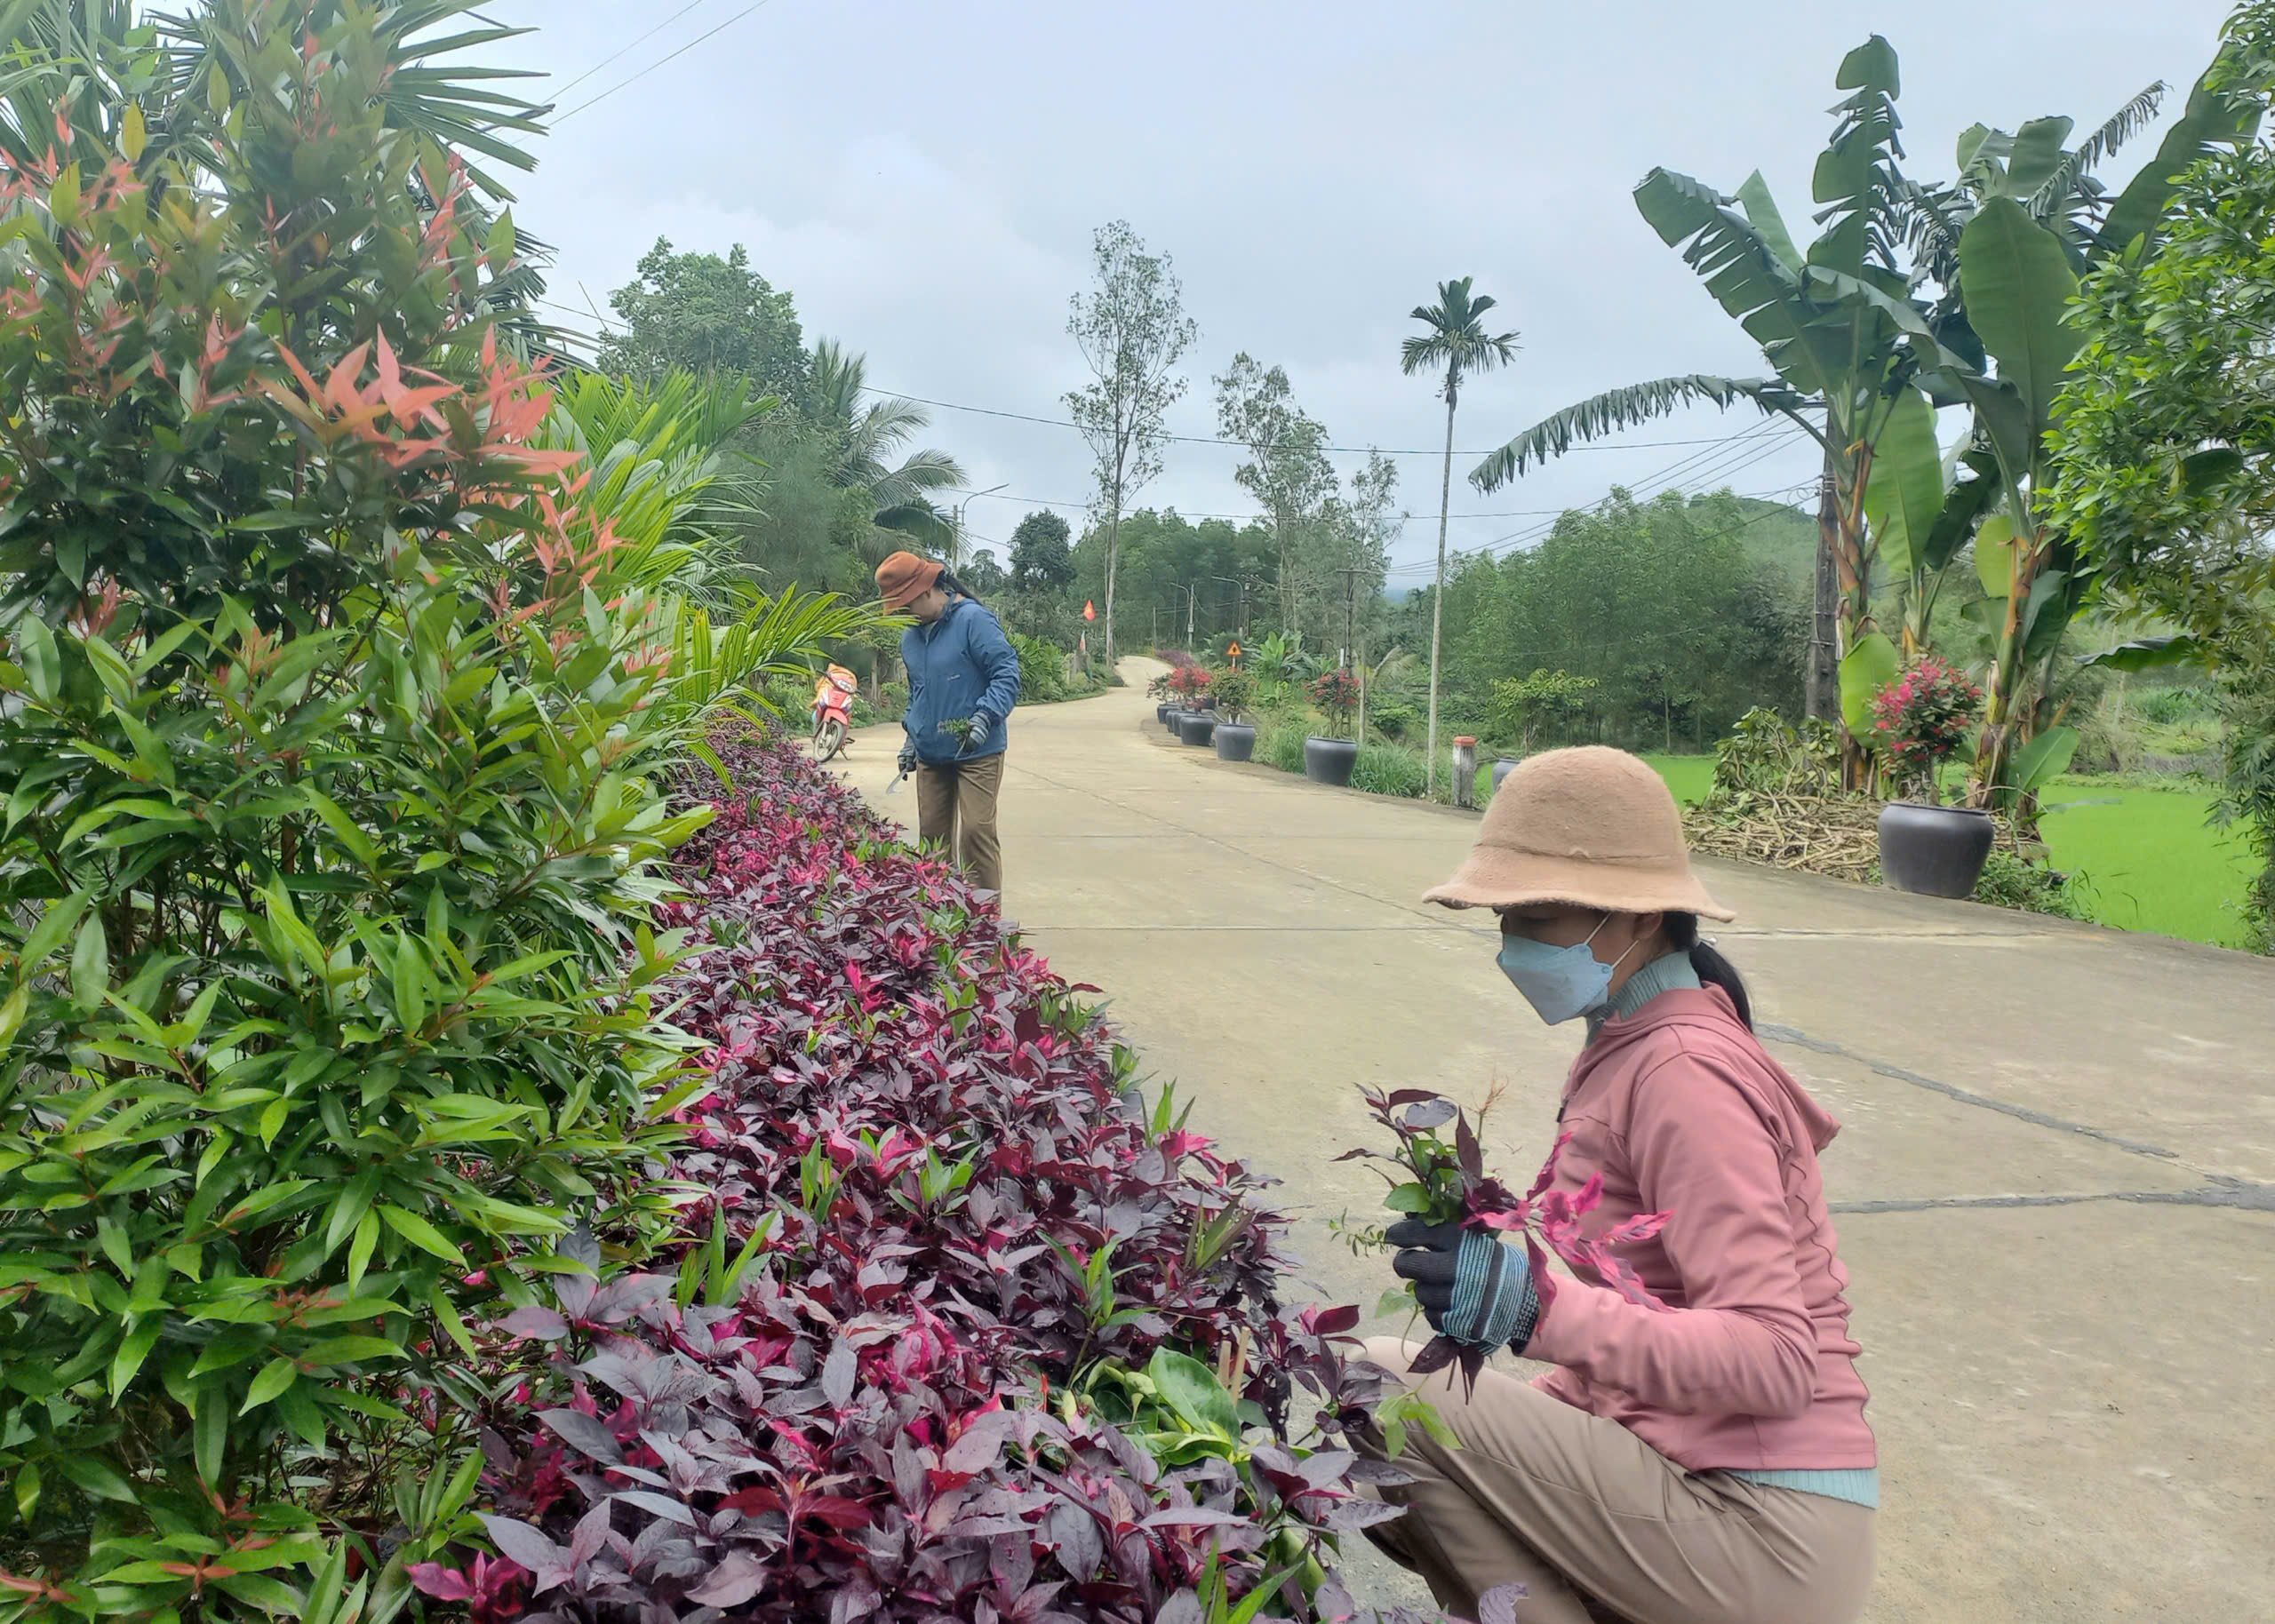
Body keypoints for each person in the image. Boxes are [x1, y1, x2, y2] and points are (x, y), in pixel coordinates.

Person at [1359, 746, 1876, 1624]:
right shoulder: (1635, 1045)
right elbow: (1631, 1342)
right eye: (1504, 915)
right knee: (1425, 1434)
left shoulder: (1683, 1072)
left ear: (1631, 918)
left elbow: (1778, 1358)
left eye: (1538, 913)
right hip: (1707, 1493)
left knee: (1378, 1388)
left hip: (1760, 1527)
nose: (1512, 942)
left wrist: (1535, 1310)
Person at [875, 551, 1021, 894]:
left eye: (905, 604)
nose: (903, 614)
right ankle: (942, 925)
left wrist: (984, 716)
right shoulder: (910, 637)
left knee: (976, 833)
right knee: (932, 843)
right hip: (932, 755)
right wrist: (912, 738)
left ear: (926, 590)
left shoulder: (973, 620)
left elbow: (1006, 674)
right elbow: (918, 693)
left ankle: (985, 924)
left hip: (978, 752)